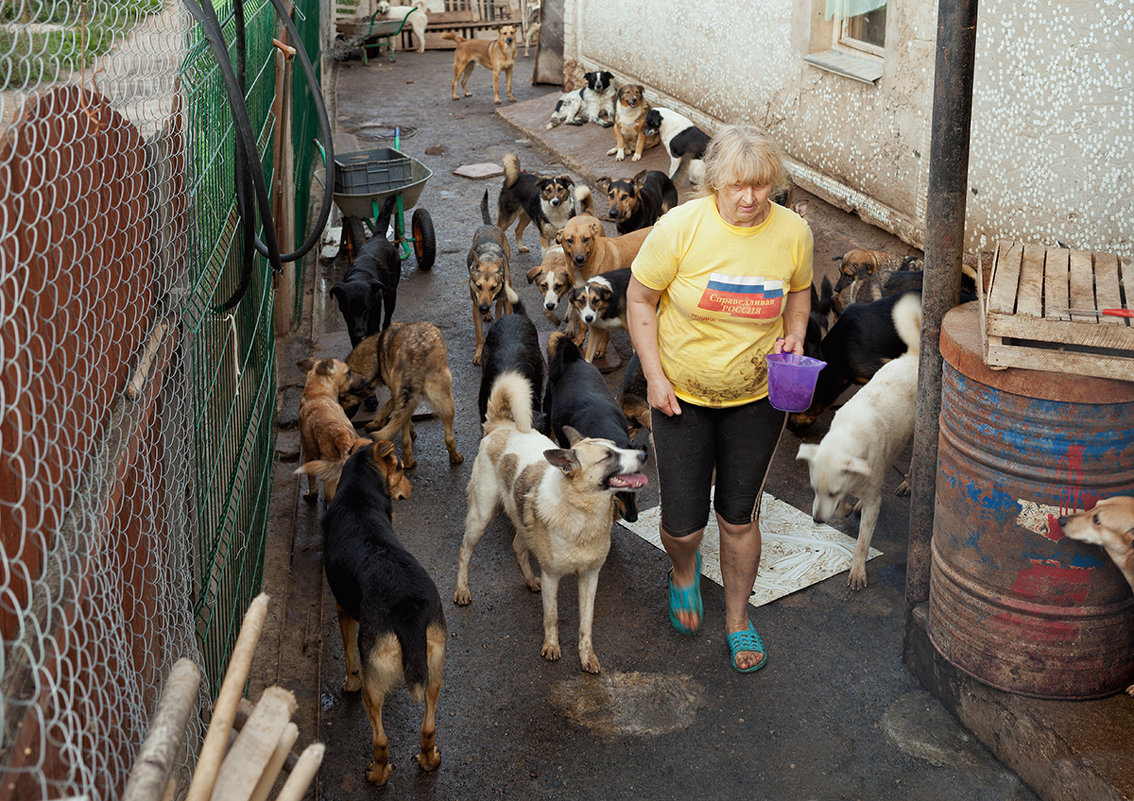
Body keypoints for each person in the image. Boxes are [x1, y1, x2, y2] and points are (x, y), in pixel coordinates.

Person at [626, 125, 813, 673]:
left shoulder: (793, 233)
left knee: (737, 517)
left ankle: (736, 619)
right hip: (680, 395)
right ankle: (684, 573)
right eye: (736, 186)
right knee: (683, 525)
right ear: (714, 183)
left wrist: (795, 332)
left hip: (756, 396)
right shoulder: (680, 227)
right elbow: (640, 298)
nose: (750, 198)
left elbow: (799, 289)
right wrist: (653, 377)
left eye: (760, 187)